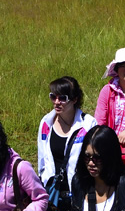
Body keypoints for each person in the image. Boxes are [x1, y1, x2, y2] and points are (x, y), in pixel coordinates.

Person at [37, 77, 97, 211]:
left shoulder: (88, 124)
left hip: (79, 192)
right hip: (52, 193)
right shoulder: (46, 123)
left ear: (74, 99)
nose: (57, 102)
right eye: (53, 97)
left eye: (62, 98)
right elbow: (41, 158)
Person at [68, 125, 125, 211]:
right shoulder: (78, 181)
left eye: (97, 158)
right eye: (87, 156)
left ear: (110, 156)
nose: (91, 163)